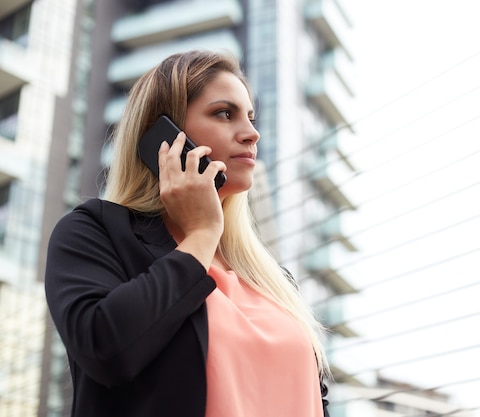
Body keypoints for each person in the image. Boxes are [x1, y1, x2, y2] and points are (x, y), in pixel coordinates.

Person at [45, 50, 331, 417]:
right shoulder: (94, 232)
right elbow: (106, 349)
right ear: (163, 137)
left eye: (251, 117)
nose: (252, 133)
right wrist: (201, 234)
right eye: (224, 113)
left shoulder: (273, 279)